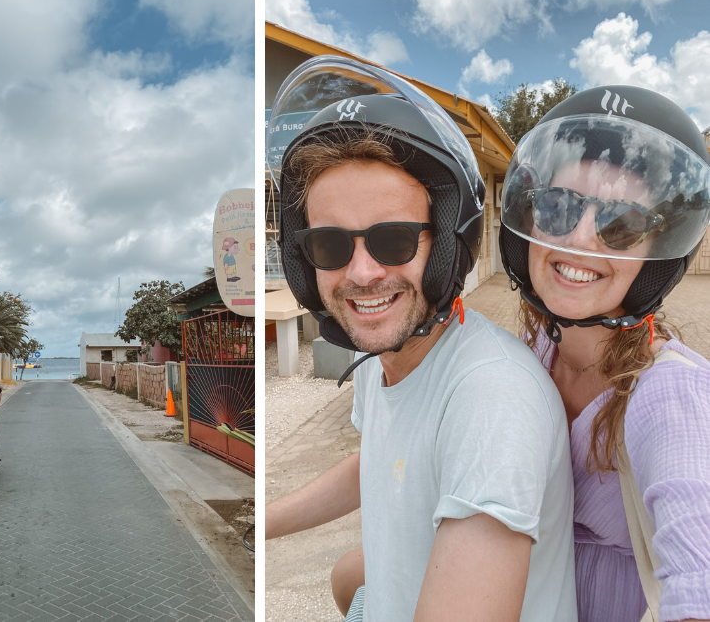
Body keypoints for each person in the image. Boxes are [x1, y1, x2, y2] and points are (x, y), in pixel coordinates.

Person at [265, 56, 576, 621]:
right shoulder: (381, 356)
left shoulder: (492, 398)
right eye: (330, 246)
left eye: (394, 241)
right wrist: (266, 520)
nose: (362, 274)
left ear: (447, 248)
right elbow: (381, 460)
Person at [500, 85, 710, 622]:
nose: (580, 238)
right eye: (556, 207)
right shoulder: (534, 350)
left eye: (622, 225)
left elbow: (699, 577)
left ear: (656, 255)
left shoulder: (670, 392)